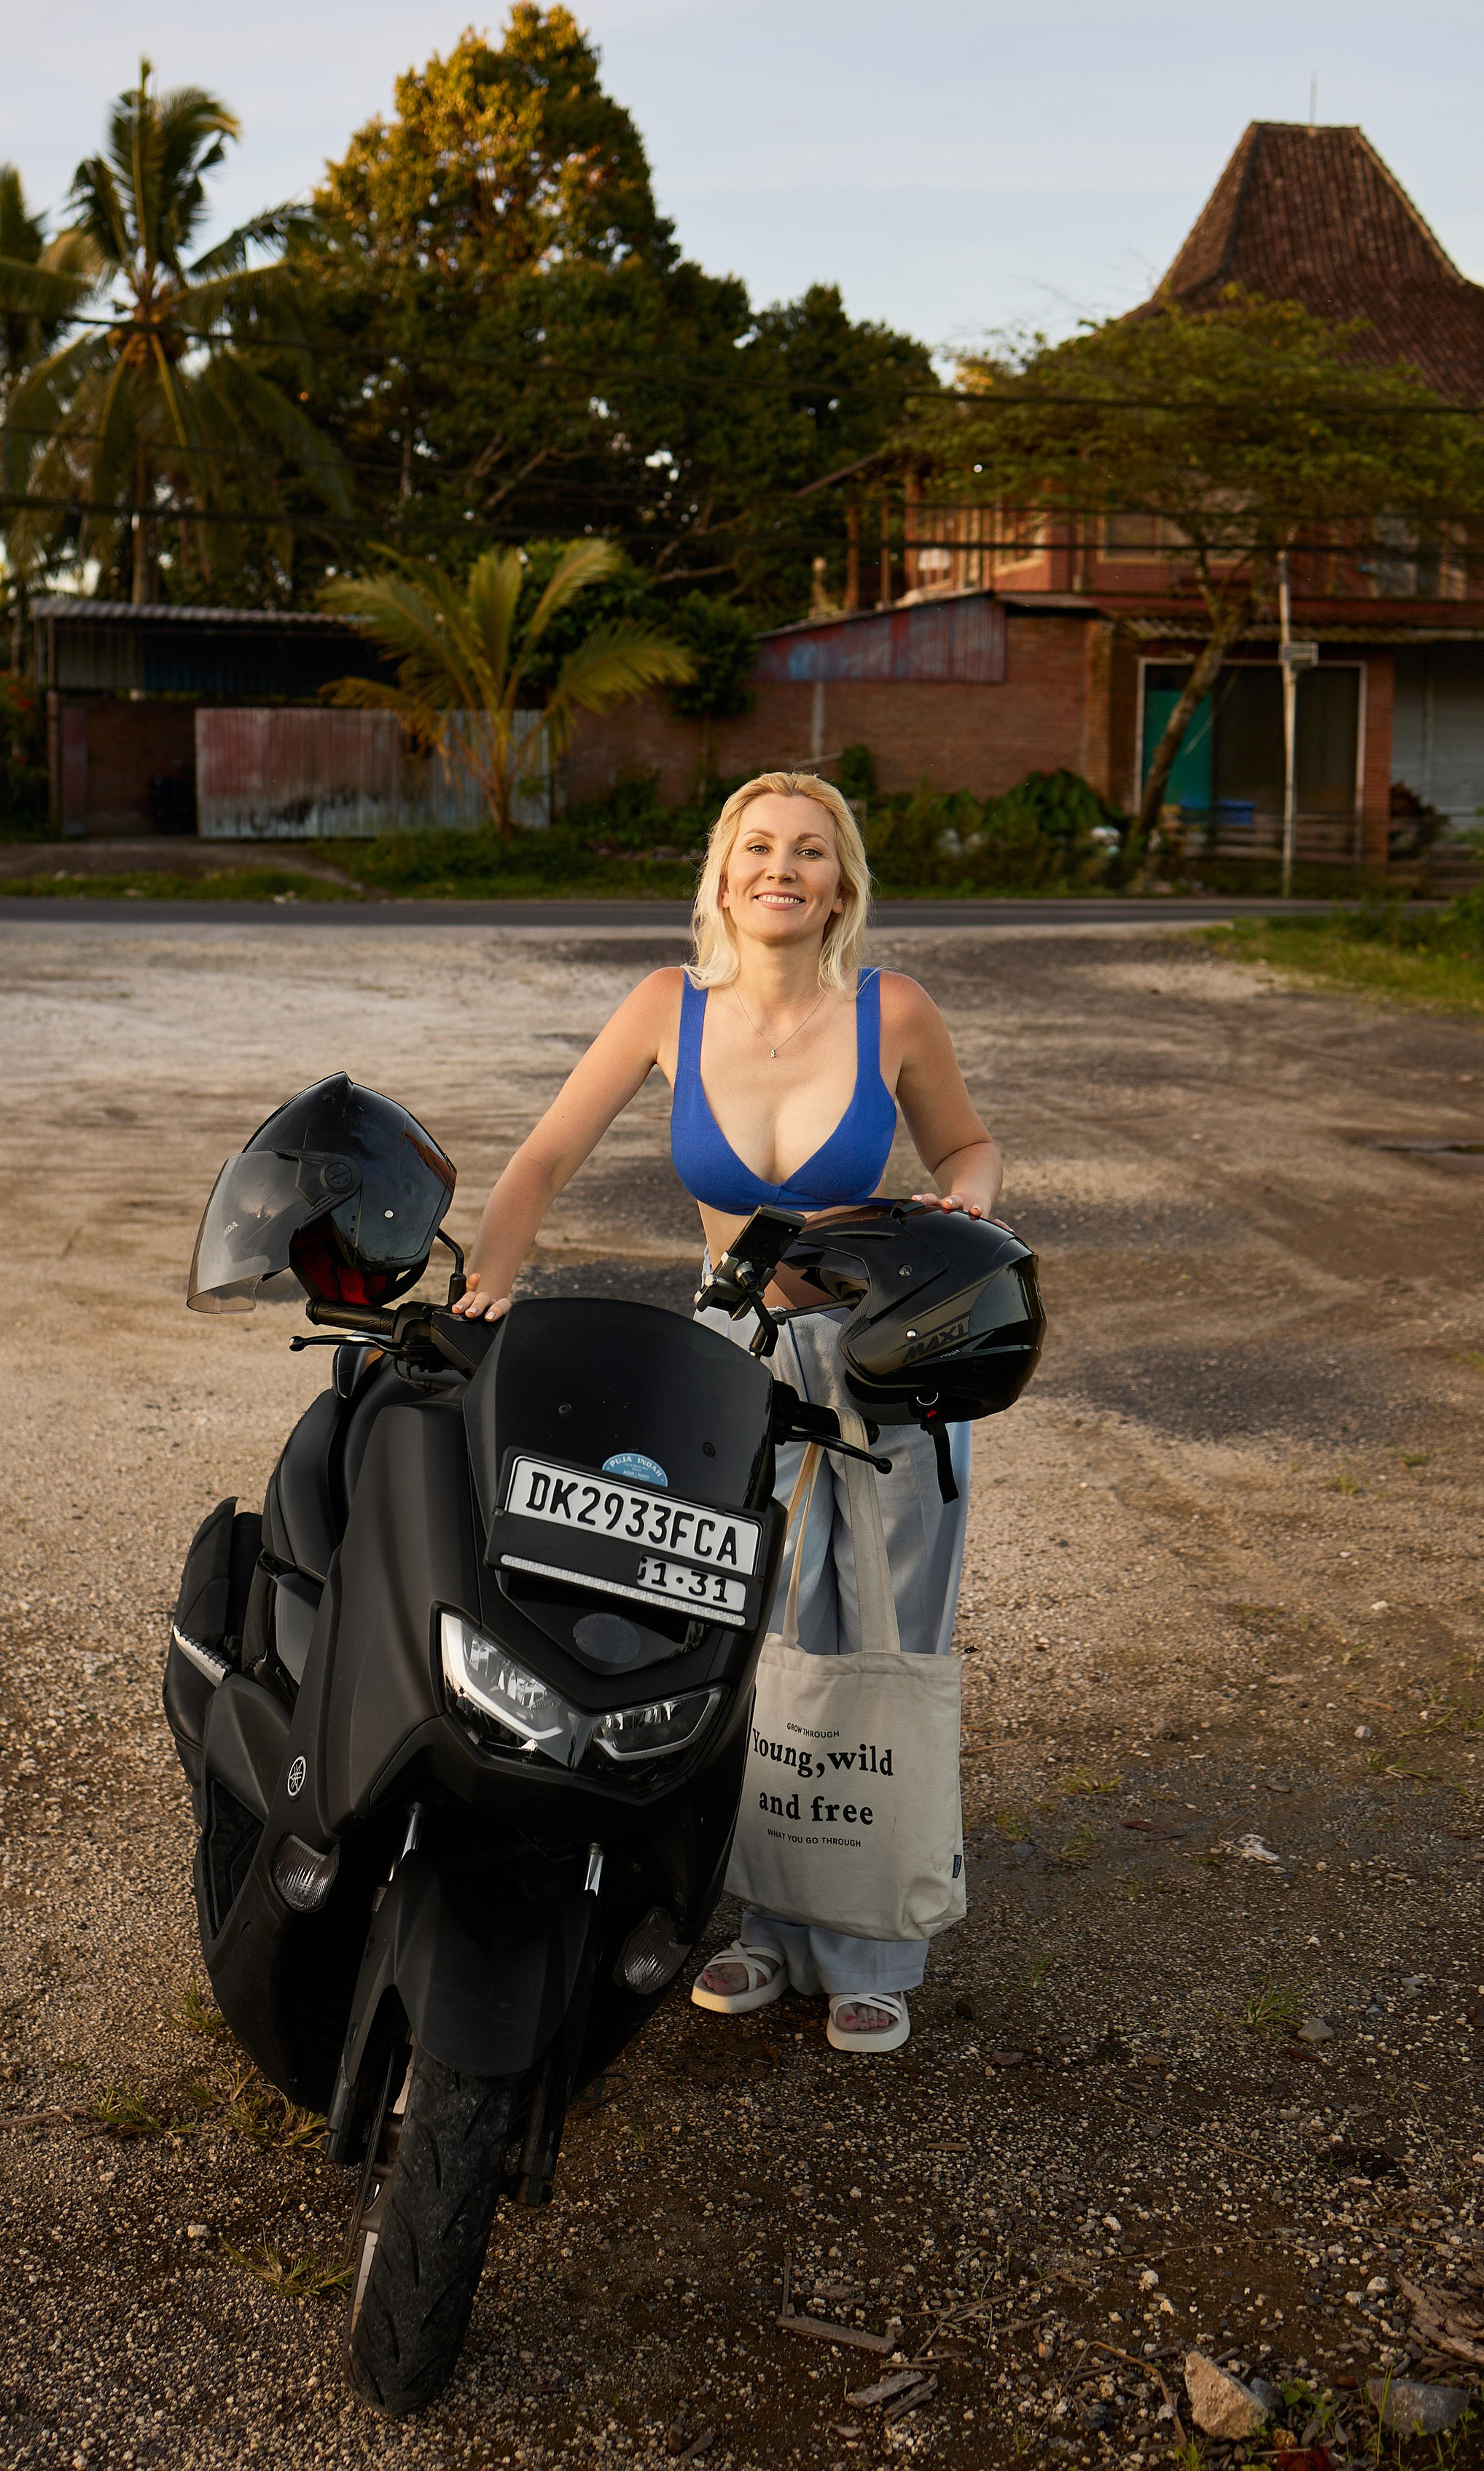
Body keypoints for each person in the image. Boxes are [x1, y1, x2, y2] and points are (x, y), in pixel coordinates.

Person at [452, 767, 1003, 2053]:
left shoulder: (893, 1011)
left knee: (883, 1641)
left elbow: (966, 1148)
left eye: (811, 853)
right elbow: (541, 1157)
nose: (782, 868)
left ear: (840, 887)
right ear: (722, 872)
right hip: (731, 1361)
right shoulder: (664, 1008)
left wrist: (963, 1214)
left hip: (881, 1363)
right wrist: (486, 1283)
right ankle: (762, 1923)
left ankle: (874, 1944)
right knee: (739, 1641)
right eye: (759, 846)